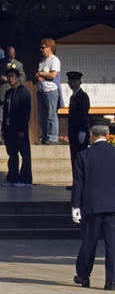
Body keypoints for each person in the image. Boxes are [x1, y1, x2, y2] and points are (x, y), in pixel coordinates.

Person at [72, 117, 115, 289]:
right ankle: (111, 280)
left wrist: (75, 205)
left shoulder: (83, 155)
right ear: (108, 134)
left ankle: (83, 275)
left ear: (91, 134)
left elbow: (78, 183)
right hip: (112, 206)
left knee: (89, 243)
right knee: (112, 245)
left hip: (92, 205)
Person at [1, 68, 32, 187]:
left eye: (13, 76)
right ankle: (12, 178)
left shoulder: (23, 92)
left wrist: (22, 129)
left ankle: (25, 179)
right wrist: (4, 128)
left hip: (19, 128)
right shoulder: (8, 92)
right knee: (12, 153)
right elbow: (5, 112)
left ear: (18, 78)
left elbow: (25, 113)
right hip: (9, 128)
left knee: (24, 154)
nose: (10, 79)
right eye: (8, 76)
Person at [0, 46, 24, 145]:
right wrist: (0, 78)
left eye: (12, 55)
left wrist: (14, 81)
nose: (10, 57)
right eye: (8, 55)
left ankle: (11, 135)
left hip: (14, 94)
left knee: (13, 116)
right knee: (0, 117)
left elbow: (23, 77)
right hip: (1, 93)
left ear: (14, 54)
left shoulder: (18, 64)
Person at [67, 71, 90, 190]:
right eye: (70, 81)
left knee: (80, 158)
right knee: (74, 158)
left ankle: (83, 183)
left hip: (80, 132)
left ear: (79, 82)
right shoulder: (73, 96)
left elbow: (84, 114)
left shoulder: (82, 96)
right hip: (73, 133)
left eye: (74, 81)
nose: (72, 83)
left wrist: (82, 130)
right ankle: (76, 182)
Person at [36, 37, 61, 144]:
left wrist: (42, 74)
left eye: (43, 47)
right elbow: (38, 74)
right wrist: (39, 75)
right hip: (41, 89)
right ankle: (44, 136)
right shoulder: (42, 61)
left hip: (51, 90)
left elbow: (53, 75)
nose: (41, 50)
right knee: (42, 116)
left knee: (51, 115)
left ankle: (52, 137)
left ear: (50, 47)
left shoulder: (54, 60)